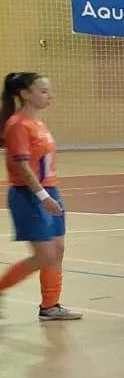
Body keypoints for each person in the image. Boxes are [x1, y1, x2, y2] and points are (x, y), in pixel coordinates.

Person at [1, 72, 80, 320]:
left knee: (57, 250)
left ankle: (50, 306)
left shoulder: (38, 124)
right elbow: (22, 168)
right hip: (29, 195)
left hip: (50, 190)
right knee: (44, 255)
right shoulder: (17, 125)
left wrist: (50, 192)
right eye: (43, 91)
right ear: (25, 94)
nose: (49, 96)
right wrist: (43, 196)